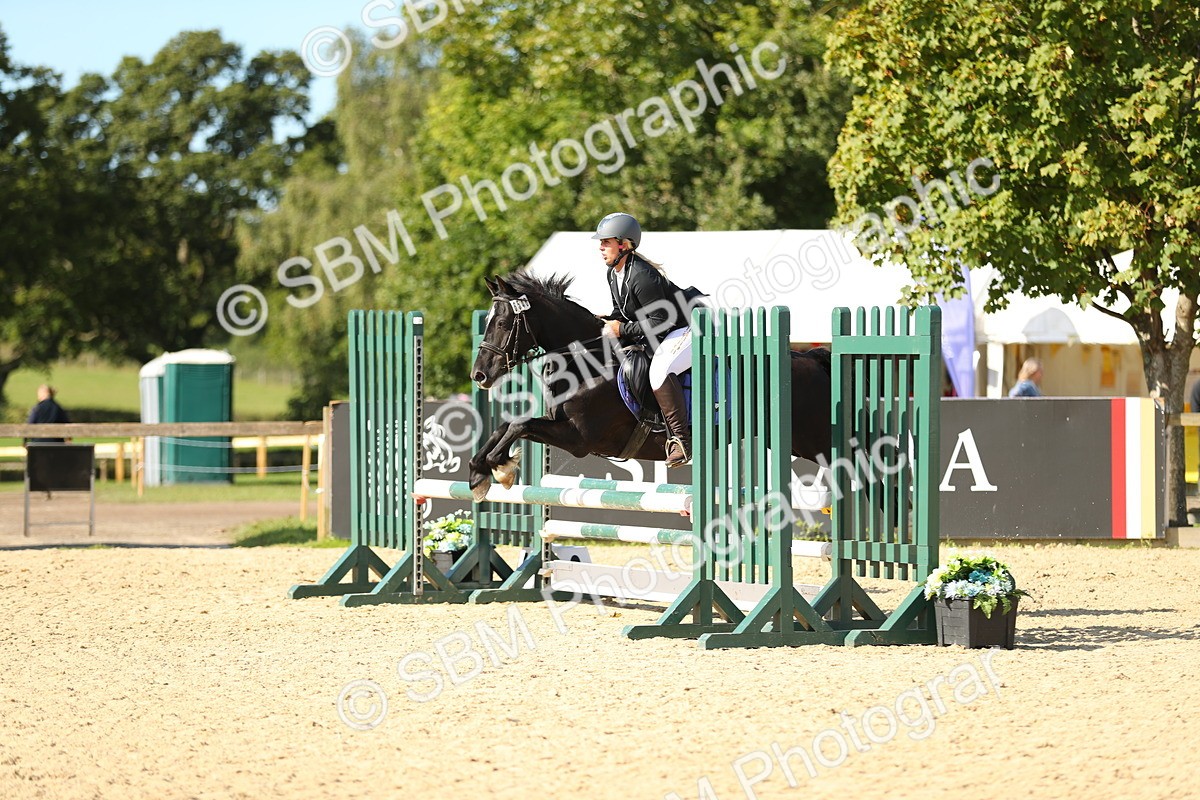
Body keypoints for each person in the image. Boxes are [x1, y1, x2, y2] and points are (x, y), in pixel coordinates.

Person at [592, 212, 698, 467]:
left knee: (661, 369)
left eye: (606, 242)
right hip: (664, 329)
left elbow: (661, 320)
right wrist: (602, 321)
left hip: (688, 328)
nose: (600, 247)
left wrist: (622, 330)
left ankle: (682, 442)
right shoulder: (614, 273)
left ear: (624, 244)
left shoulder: (641, 274)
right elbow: (624, 314)